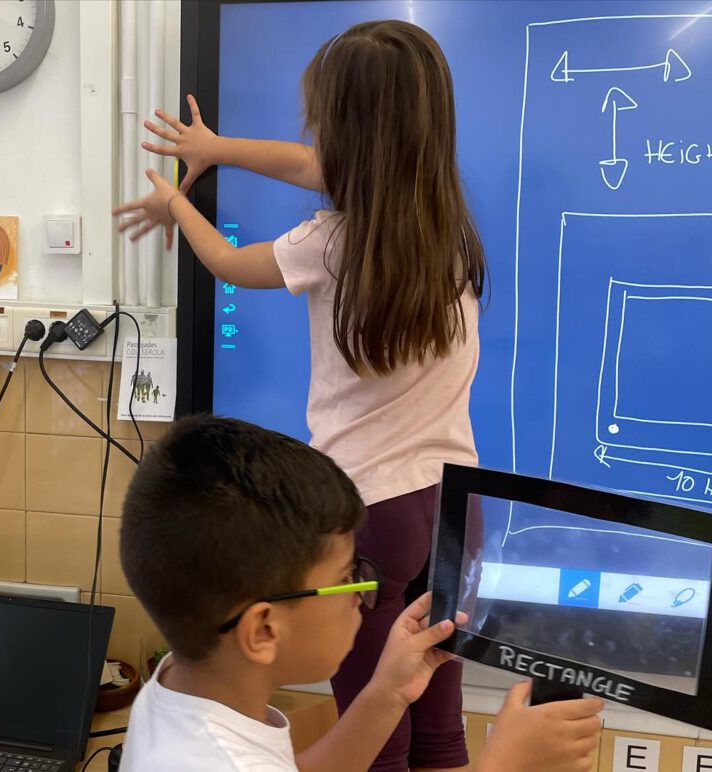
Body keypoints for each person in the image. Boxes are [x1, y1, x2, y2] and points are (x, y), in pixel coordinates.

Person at [115, 20, 485, 771]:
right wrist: (217, 148)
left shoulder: (329, 243)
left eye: (319, 122)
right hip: (456, 508)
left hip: (375, 513)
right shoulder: (448, 231)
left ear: (342, 136)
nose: (310, 140)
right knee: (438, 725)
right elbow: (314, 165)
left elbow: (228, 263)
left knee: (379, 734)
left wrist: (176, 204)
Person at [118, 415, 603, 772]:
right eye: (349, 575)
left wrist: (387, 694)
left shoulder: (176, 691)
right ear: (263, 630)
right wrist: (506, 765)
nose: (362, 593)